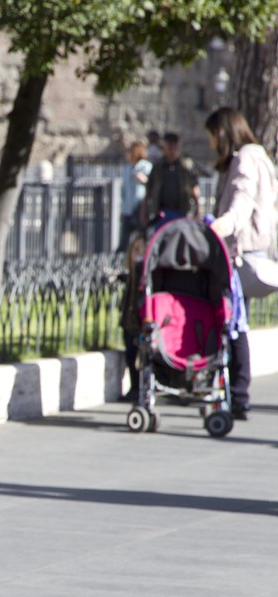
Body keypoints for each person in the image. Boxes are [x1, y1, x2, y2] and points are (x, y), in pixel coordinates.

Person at [205, 107, 278, 420]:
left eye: (212, 137)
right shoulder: (262, 157)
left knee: (235, 323)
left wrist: (223, 224)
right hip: (257, 250)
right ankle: (237, 392)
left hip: (242, 253)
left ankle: (238, 392)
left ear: (223, 132)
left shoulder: (245, 159)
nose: (211, 144)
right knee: (239, 321)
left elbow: (242, 199)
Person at [140, 132, 200, 228]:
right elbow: (149, 190)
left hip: (181, 213)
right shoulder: (157, 167)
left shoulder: (185, 167)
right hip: (161, 214)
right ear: (164, 146)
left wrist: (197, 209)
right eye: (169, 145)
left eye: (174, 145)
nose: (172, 149)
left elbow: (194, 189)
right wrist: (144, 210)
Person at [119, 234, 146, 401]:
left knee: (140, 356)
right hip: (130, 322)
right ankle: (134, 387)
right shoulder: (132, 273)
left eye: (140, 250)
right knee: (130, 354)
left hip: (140, 322)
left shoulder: (142, 272)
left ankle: (139, 387)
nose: (137, 254)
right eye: (134, 250)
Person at [120, 141, 152, 251]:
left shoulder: (145, 166)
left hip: (140, 207)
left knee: (143, 236)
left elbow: (152, 184)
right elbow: (124, 190)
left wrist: (144, 179)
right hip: (128, 209)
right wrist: (122, 209)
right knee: (123, 241)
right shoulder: (127, 168)